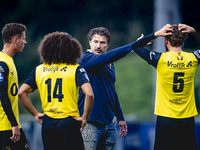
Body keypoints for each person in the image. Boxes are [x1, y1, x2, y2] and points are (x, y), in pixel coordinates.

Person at [18, 32, 94, 150]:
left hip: (48, 123)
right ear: (72, 49)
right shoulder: (76, 69)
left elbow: (21, 93)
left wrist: (36, 114)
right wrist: (84, 117)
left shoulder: (40, 69)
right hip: (68, 122)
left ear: (47, 50)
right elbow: (89, 94)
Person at [131, 24, 200, 150]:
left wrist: (156, 34)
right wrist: (194, 32)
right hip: (187, 119)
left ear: (165, 39)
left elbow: (135, 46)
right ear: (183, 39)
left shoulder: (160, 59)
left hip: (166, 119)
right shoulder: (193, 58)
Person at [78, 27, 132, 150]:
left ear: (108, 44)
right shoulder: (84, 59)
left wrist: (120, 117)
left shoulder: (110, 64)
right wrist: (133, 46)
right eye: (95, 41)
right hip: (89, 122)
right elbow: (105, 58)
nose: (98, 45)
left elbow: (111, 91)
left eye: (102, 42)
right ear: (89, 42)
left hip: (109, 123)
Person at [0, 23, 30, 150]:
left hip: (11, 125)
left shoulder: (9, 60)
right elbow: (2, 94)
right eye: (23, 38)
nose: (25, 42)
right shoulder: (2, 62)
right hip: (5, 126)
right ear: (15, 40)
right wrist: (14, 124)